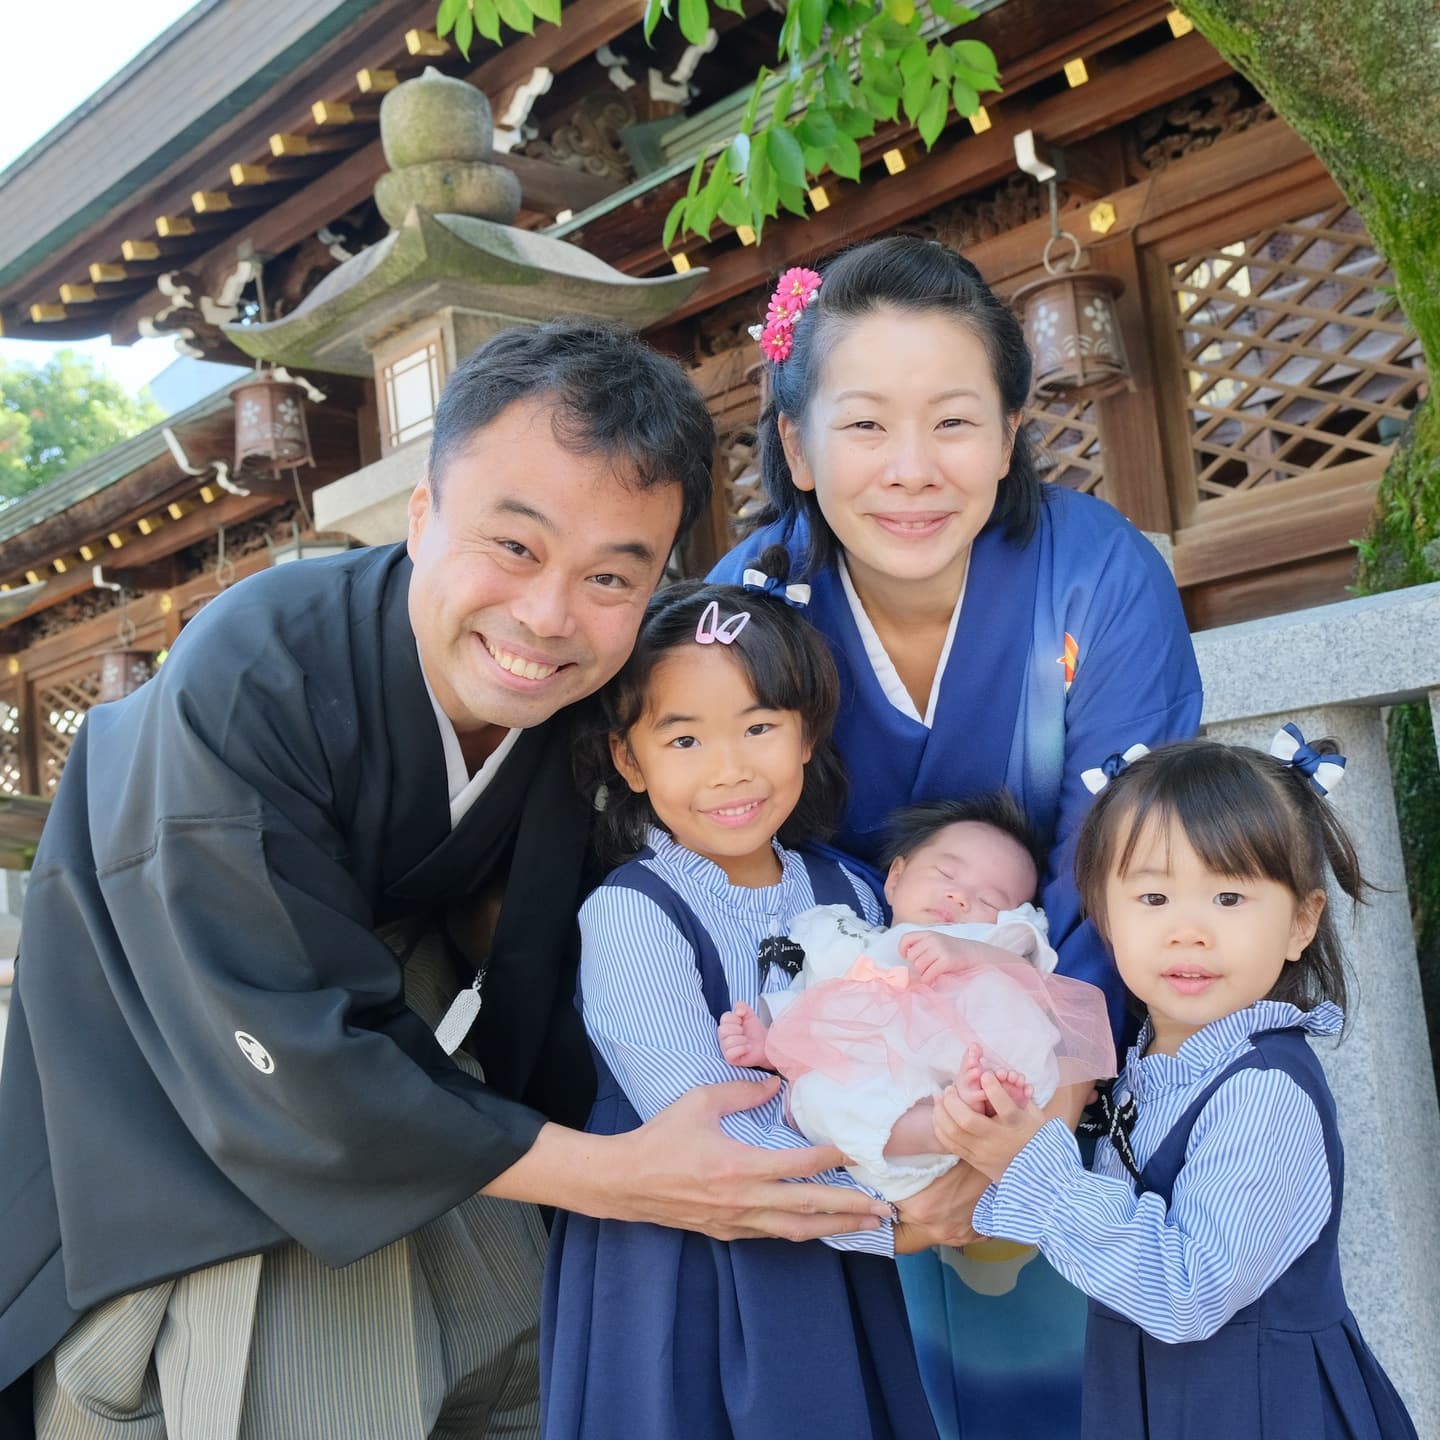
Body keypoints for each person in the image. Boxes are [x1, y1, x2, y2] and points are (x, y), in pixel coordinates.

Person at [0, 322, 893, 1440]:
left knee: (523, 1338)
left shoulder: (594, 699)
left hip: (411, 1057)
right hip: (193, 1050)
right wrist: (616, 1180)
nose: (548, 616)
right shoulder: (253, 670)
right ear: (422, 516)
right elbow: (280, 1032)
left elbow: (556, 954)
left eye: (612, 575)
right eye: (514, 547)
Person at [710, 237, 1204, 1438]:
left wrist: (1034, 1115)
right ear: (796, 445)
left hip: (1071, 1056)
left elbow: (1129, 865)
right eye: (867, 426)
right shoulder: (750, 608)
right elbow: (727, 862)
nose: (914, 472)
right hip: (847, 1080)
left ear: (1013, 426)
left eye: (956, 421)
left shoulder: (1096, 575)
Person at [541, 567, 942, 1440]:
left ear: (806, 736)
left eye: (759, 727)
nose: (729, 770)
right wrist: (901, 1212)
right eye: (683, 741)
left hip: (844, 1242)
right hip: (683, 1255)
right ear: (628, 758)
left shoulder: (856, 892)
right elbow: (710, 1131)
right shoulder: (633, 913)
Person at [935, 734, 1420, 1440]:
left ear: (1301, 922)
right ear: (1103, 914)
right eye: (1154, 896)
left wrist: (1029, 1163)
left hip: (1261, 1412)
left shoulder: (1263, 1092)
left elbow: (1189, 1291)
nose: (1188, 931)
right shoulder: (1144, 1066)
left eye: (1229, 896)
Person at [717, 794, 1115, 1202]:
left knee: (1007, 1002)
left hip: (971, 1059)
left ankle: (981, 1106)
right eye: (946, 874)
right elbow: (813, 1005)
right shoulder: (847, 940)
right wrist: (769, 1044)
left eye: (989, 900)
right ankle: (947, 1125)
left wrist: (968, 952)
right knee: (810, 1097)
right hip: (899, 1122)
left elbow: (1035, 979)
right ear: (895, 878)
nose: (961, 898)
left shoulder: (998, 937)